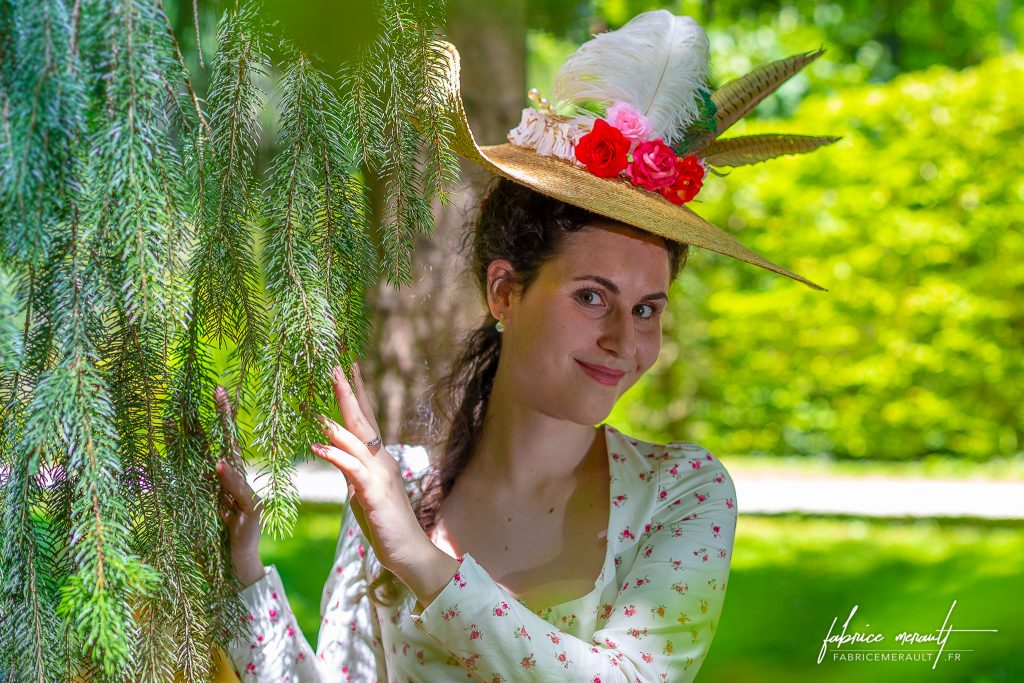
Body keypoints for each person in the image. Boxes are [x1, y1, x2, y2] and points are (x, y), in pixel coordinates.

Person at [219, 8, 834, 681]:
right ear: (506, 290)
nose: (623, 339)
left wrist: (422, 562)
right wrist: (244, 569)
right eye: (591, 296)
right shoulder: (398, 484)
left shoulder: (680, 493)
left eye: (647, 307)